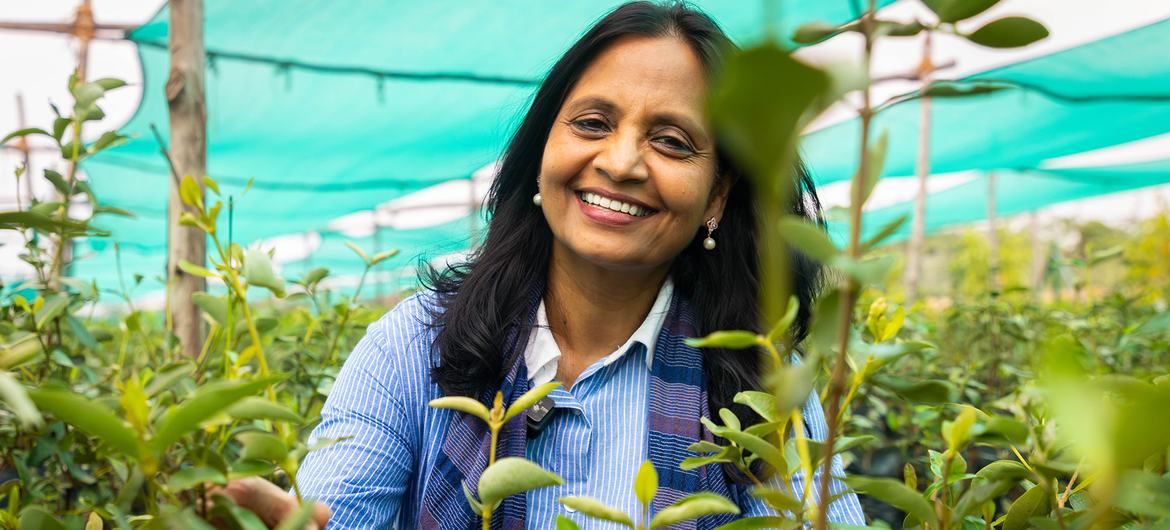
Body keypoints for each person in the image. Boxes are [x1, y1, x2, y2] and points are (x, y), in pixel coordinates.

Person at [221, 2, 867, 528]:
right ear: (542, 153)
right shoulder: (415, 347)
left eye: (671, 141)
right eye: (592, 123)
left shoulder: (758, 385)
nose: (621, 163)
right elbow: (335, 510)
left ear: (716, 198)